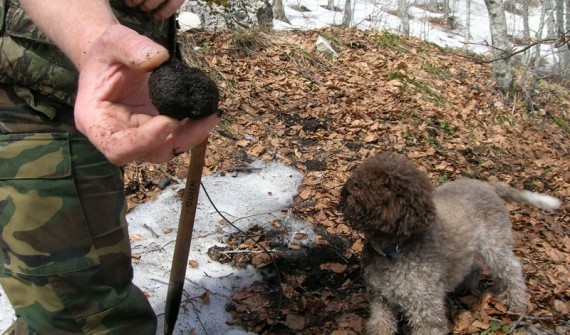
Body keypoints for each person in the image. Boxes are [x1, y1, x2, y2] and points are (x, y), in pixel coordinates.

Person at [0, 0, 220, 333]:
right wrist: (94, 39)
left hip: (107, 94)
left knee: (62, 310)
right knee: (90, 319)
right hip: (34, 98)